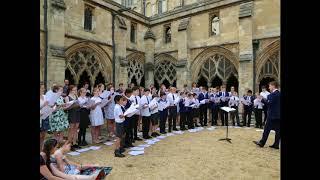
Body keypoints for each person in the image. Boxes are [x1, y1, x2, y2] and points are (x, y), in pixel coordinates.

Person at [253, 81, 280, 149]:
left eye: (270, 86)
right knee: (278, 130)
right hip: (278, 116)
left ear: (273, 86)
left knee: (266, 129)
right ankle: (276, 144)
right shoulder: (279, 94)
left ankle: (262, 143)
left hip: (272, 115)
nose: (269, 87)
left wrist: (261, 99)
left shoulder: (272, 95)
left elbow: (269, 104)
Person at [65, 85, 81, 151]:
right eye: (74, 90)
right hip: (72, 113)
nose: (75, 91)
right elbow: (67, 107)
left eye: (76, 90)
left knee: (76, 128)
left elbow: (79, 104)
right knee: (71, 129)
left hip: (77, 112)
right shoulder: (67, 97)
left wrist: (79, 104)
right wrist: (73, 105)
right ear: (70, 90)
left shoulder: (76, 96)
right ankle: (70, 144)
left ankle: (74, 143)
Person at [40, 82, 50, 151]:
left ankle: (41, 150)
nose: (44, 89)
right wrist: (43, 105)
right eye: (42, 88)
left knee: (43, 136)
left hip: (45, 117)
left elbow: (48, 106)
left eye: (44, 88)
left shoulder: (45, 96)